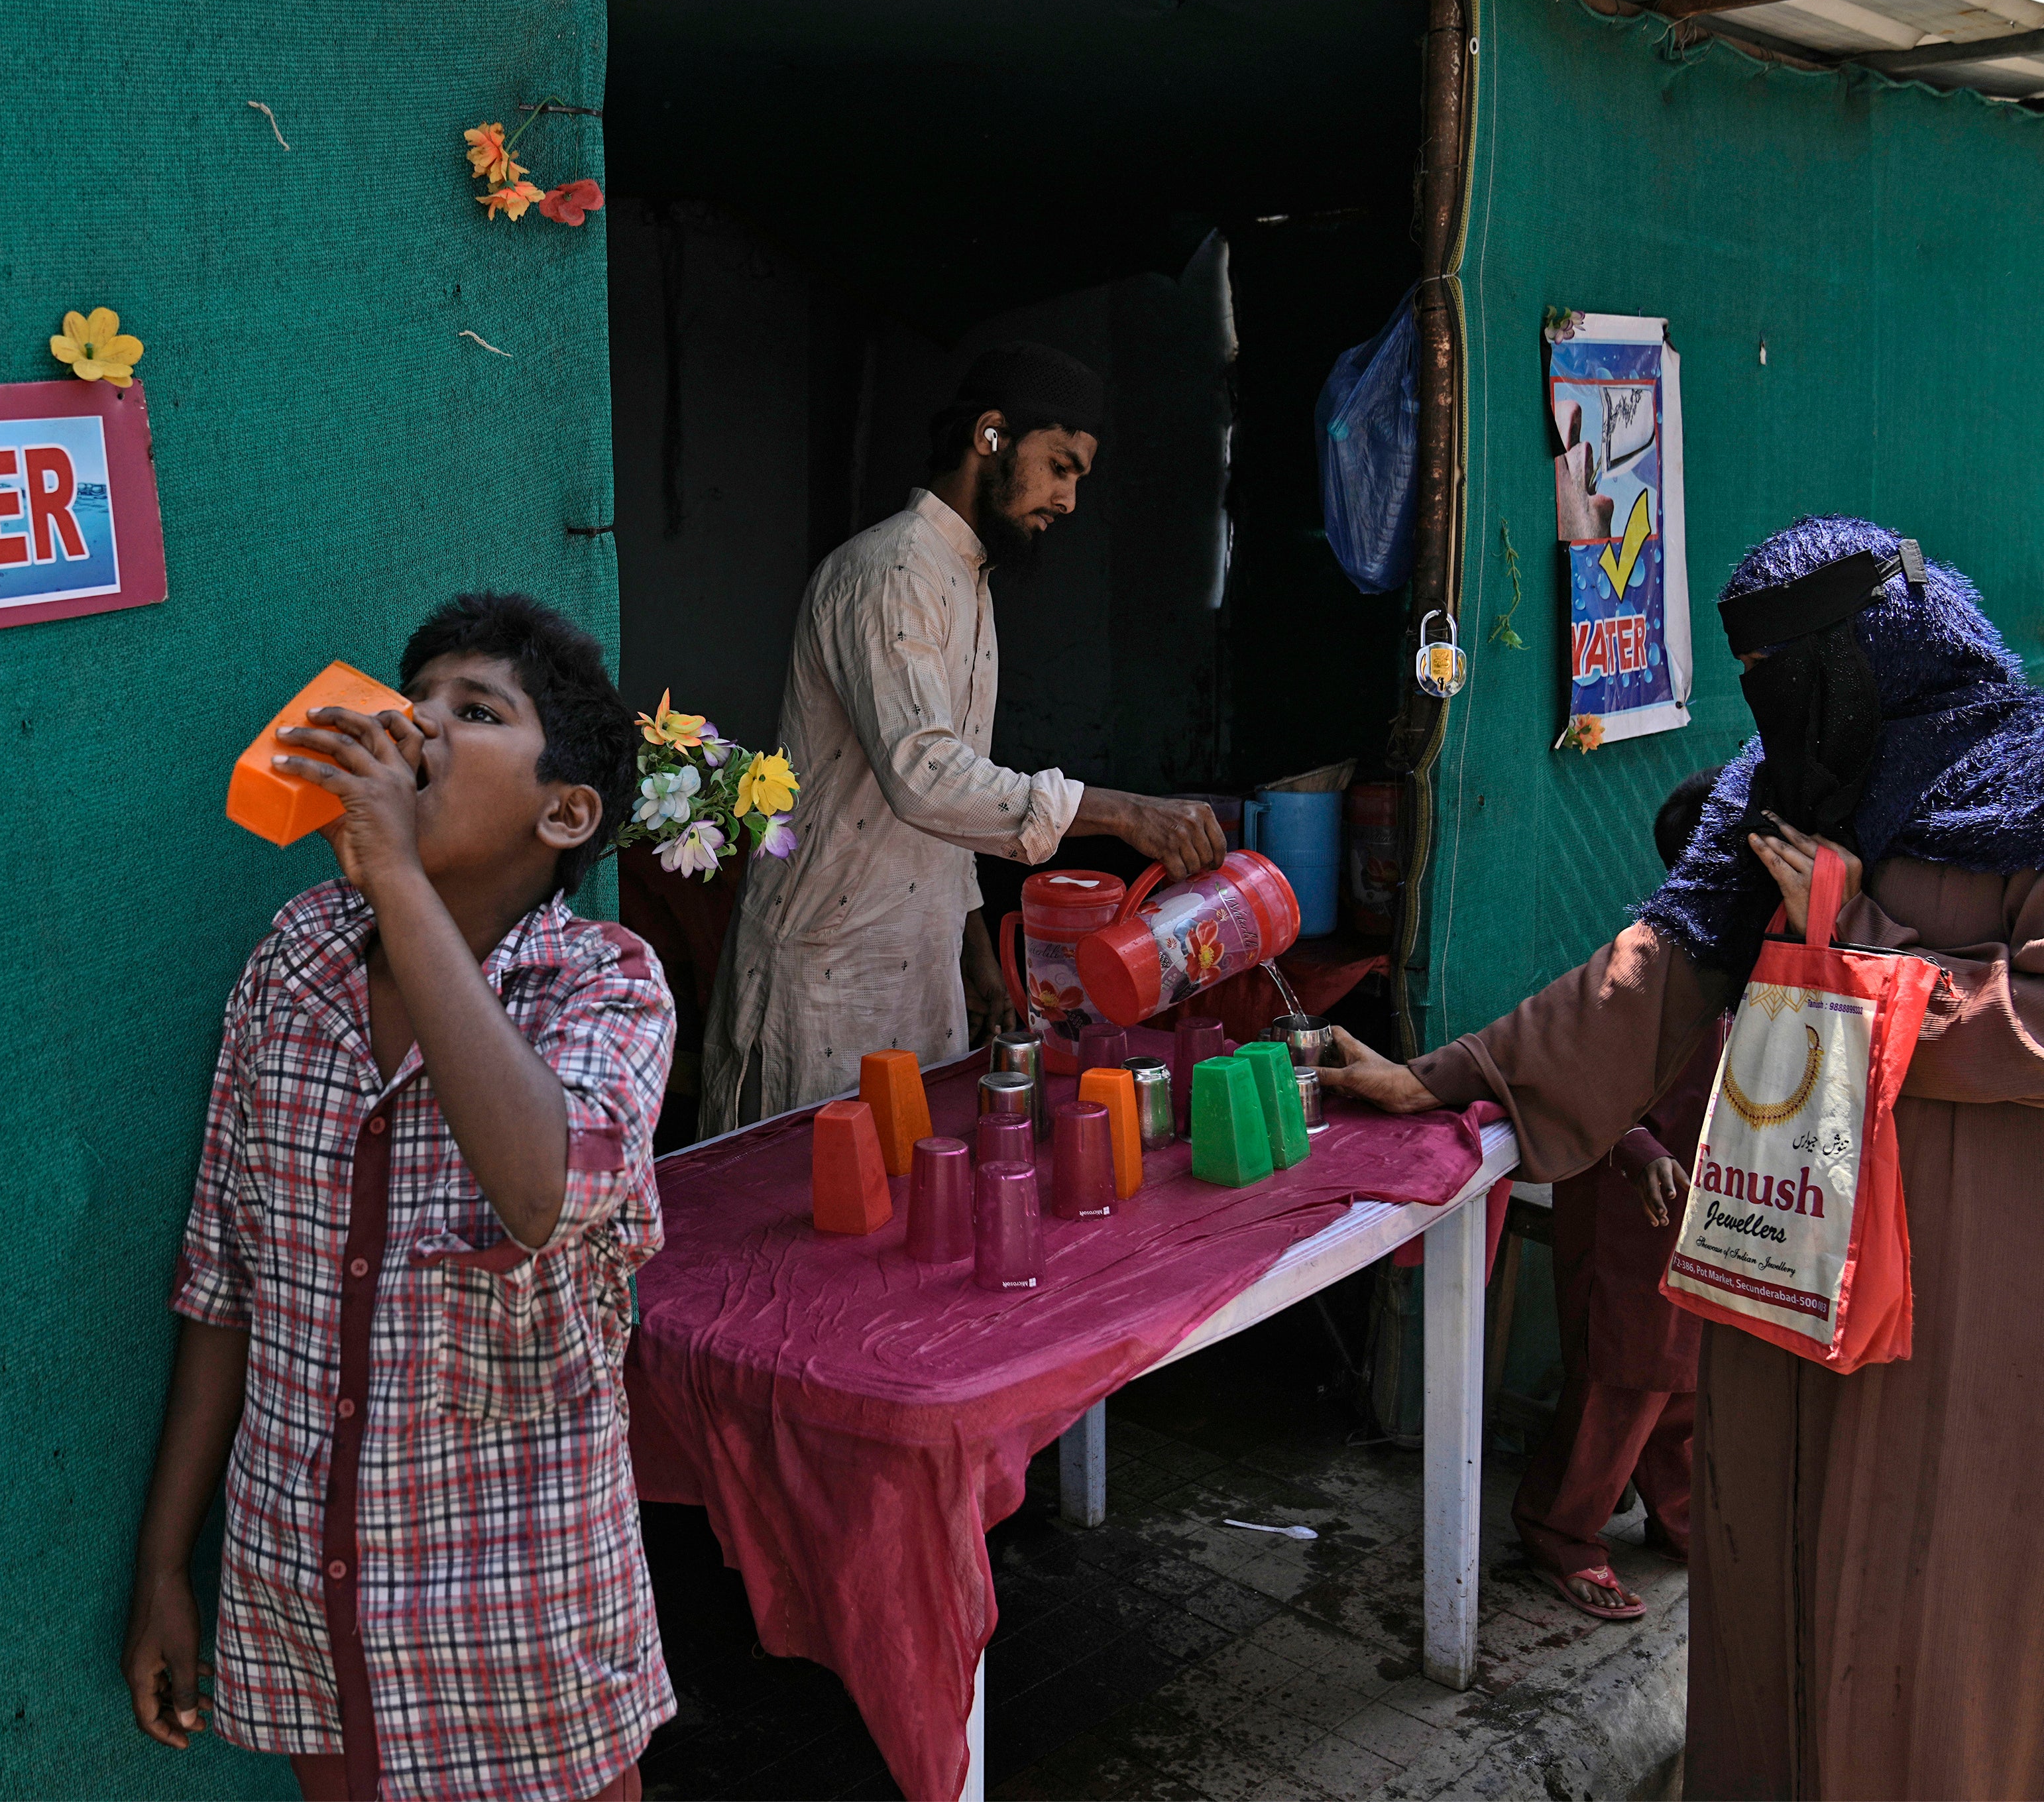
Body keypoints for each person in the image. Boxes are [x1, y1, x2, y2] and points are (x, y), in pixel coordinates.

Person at [1322, 517, 2044, 1798]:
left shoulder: (2022, 781)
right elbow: (1650, 975)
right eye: (1749, 677)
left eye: (1793, 672)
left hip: (1955, 1281)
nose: (1774, 711)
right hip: (1788, 1255)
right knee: (1762, 1546)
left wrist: (1853, 937)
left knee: (1920, 1570)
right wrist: (1446, 1073)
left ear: (1879, 651)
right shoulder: (1771, 788)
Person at [122, 592, 673, 1801]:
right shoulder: (294, 962)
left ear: (564, 811)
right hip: (314, 1614)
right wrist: (168, 1561)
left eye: (472, 712)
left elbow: (543, 1191)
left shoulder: (608, 989)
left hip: (524, 1632)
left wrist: (393, 877)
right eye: (409, 698)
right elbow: (222, 1282)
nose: (414, 727)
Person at [700, 341, 1226, 1134]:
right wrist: (1123, 812)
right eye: (1060, 466)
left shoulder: (967, 579)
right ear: (990, 437)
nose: (1069, 499)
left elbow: (958, 796)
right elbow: (925, 774)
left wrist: (975, 947)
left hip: (920, 969)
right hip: (831, 973)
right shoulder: (889, 571)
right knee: (811, 1216)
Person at [1510, 766, 1723, 1623]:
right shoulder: (1643, 960)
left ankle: (1680, 1520)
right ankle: (1560, 1533)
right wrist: (1636, 1149)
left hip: (1699, 1210)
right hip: (1626, 1207)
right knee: (1619, 1382)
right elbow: (1573, 1079)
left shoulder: (1747, 961)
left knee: (1684, 1379)